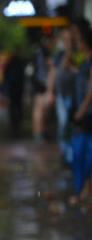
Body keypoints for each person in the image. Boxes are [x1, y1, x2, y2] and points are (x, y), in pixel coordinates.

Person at [47, 25, 78, 164]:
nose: (66, 40)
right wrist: (50, 91)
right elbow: (53, 73)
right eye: (64, 38)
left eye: (68, 38)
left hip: (74, 95)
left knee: (71, 123)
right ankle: (65, 152)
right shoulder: (59, 54)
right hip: (62, 94)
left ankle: (71, 153)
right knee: (63, 123)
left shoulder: (78, 52)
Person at [69, 20, 92, 201]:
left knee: (84, 152)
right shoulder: (84, 61)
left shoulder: (90, 62)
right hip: (84, 112)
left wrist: (81, 110)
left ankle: (86, 189)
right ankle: (85, 188)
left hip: (87, 113)